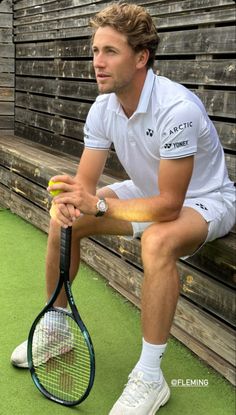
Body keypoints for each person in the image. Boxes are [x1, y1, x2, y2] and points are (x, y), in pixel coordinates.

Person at [11, 3, 235, 414]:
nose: (97, 62)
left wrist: (96, 205)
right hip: (149, 189)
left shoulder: (176, 109)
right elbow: (86, 188)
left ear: (141, 56)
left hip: (203, 199)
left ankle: (151, 377)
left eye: (110, 51)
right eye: (95, 51)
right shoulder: (103, 107)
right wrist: (72, 202)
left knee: (158, 239)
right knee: (66, 222)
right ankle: (57, 328)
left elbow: (168, 206)